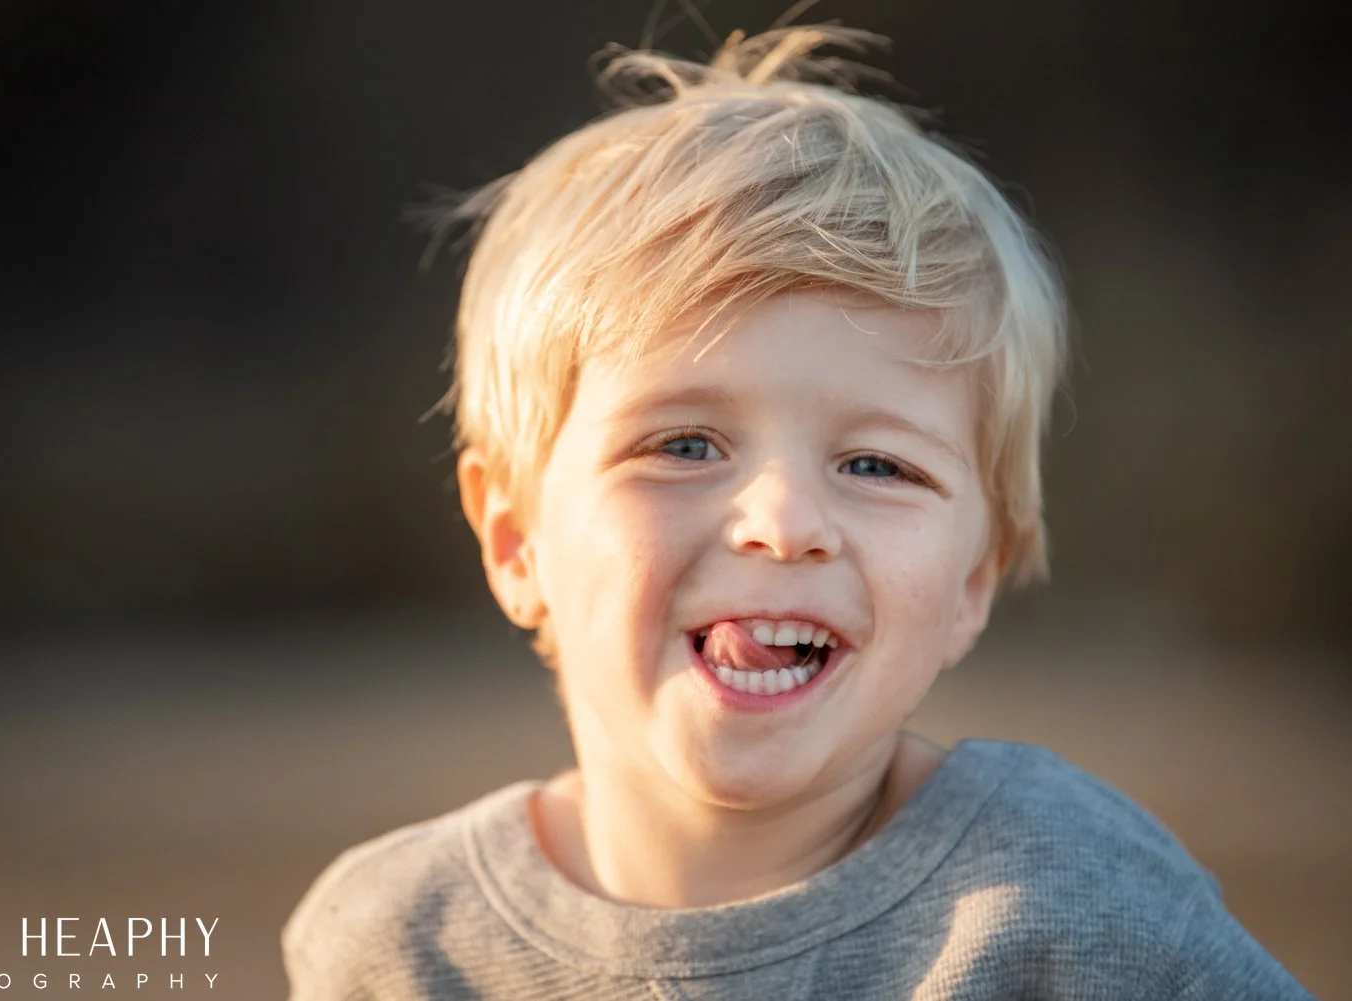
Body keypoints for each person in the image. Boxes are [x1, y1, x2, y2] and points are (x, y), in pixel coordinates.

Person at [282, 22, 1312, 1000]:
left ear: (971, 580)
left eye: (876, 464)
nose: (782, 524)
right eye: (684, 445)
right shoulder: (395, 943)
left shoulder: (1075, 905)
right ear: (516, 541)